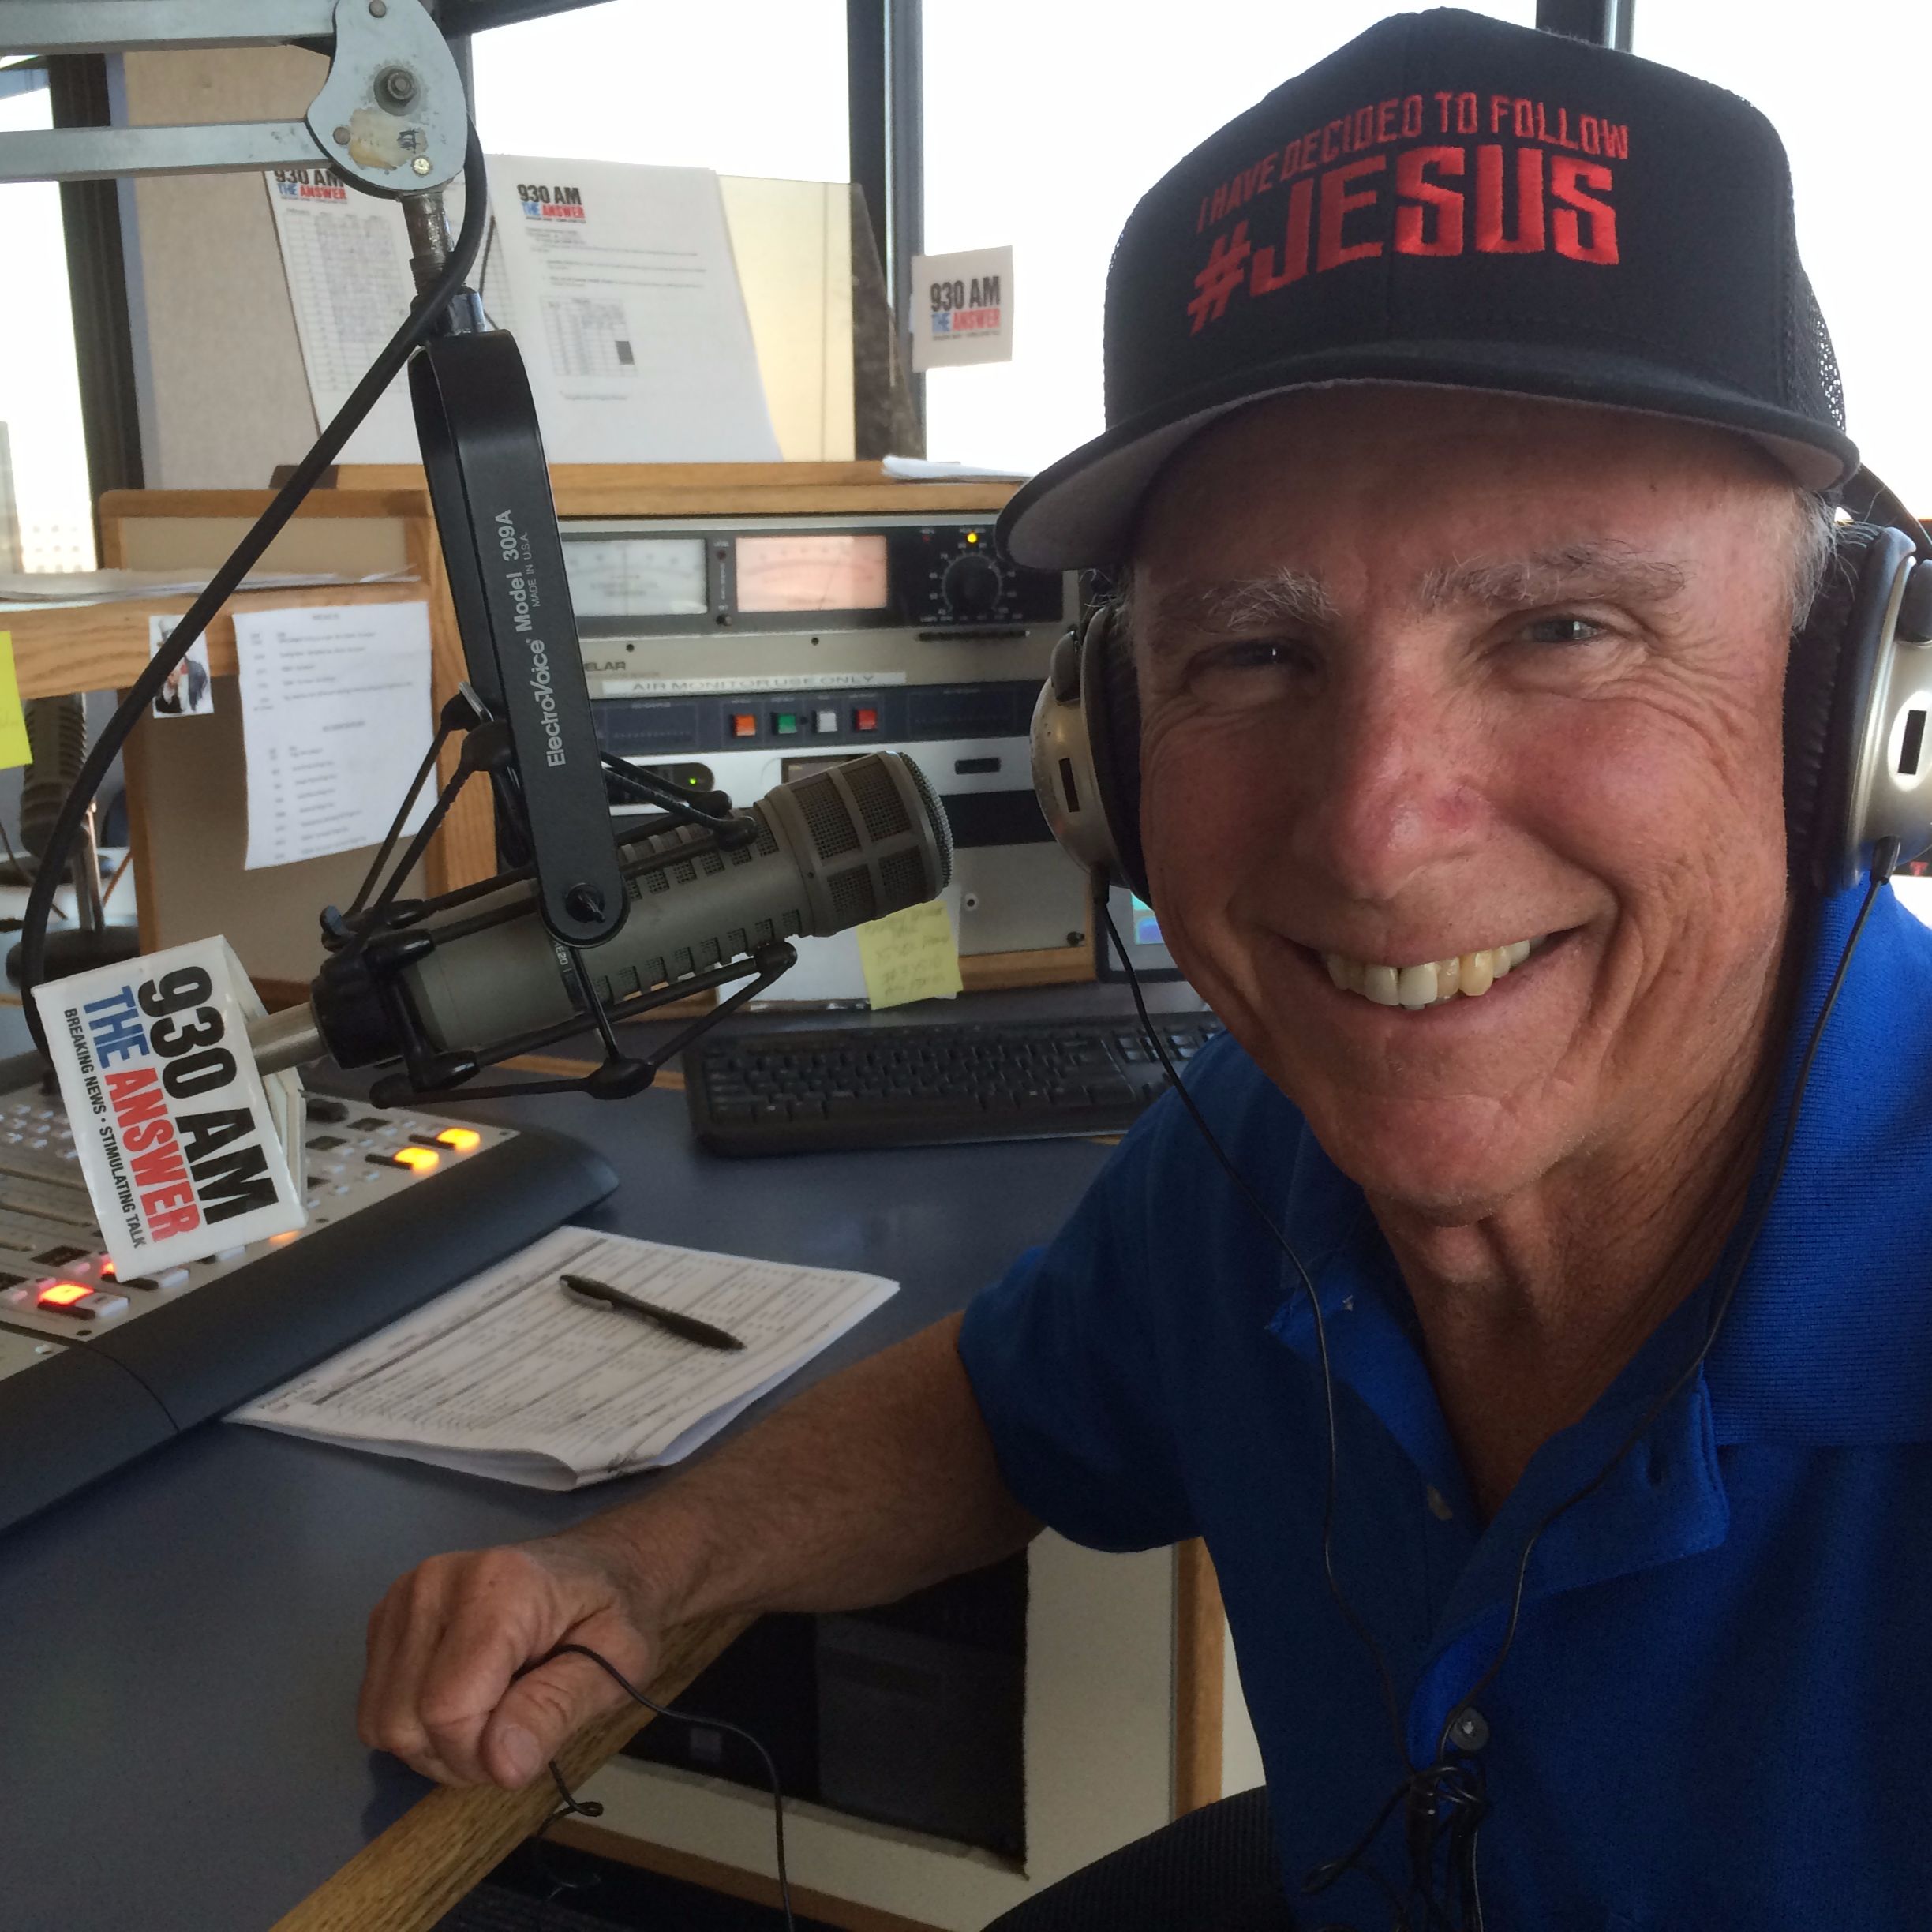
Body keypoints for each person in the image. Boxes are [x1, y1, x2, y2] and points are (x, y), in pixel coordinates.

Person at [358, 12, 1932, 1924]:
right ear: (1100, 750)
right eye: (1254, 655)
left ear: (1854, 712)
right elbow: (1003, 1410)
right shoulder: (1260, 1159)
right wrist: (651, 1565)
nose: (1375, 832)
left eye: (1564, 629)